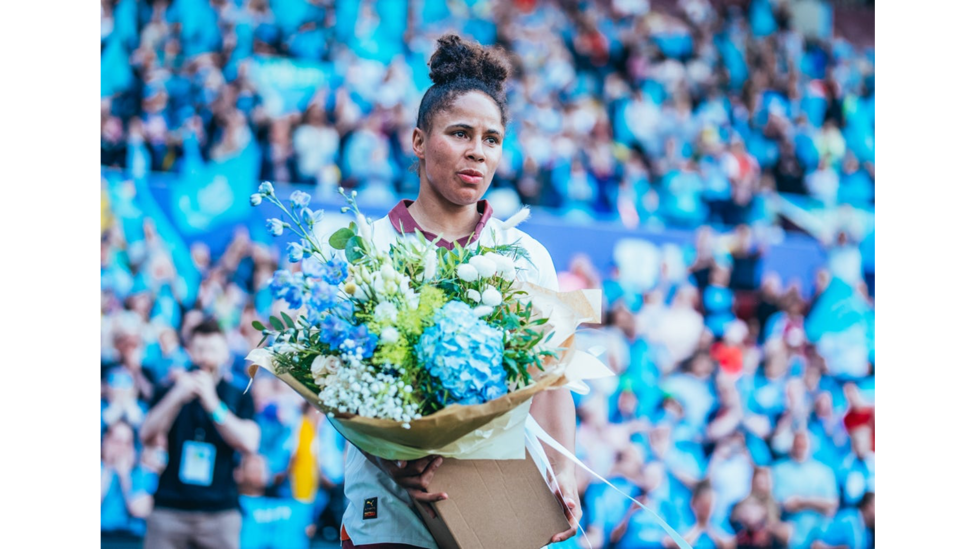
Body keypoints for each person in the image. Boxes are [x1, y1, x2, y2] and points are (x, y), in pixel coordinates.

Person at [337, 33, 581, 549]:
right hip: (389, 514)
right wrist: (392, 456)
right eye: (460, 133)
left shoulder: (528, 256)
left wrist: (564, 474)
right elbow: (336, 381)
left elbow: (552, 381)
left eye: (491, 139)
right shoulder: (368, 246)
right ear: (419, 142)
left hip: (500, 513)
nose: (477, 152)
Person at [141, 318, 259, 549]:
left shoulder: (238, 393)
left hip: (220, 513)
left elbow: (250, 443)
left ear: (225, 353)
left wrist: (213, 404)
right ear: (189, 352)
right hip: (169, 509)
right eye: (199, 349)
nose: (205, 356)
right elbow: (146, 434)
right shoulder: (168, 389)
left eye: (212, 349)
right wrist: (177, 396)